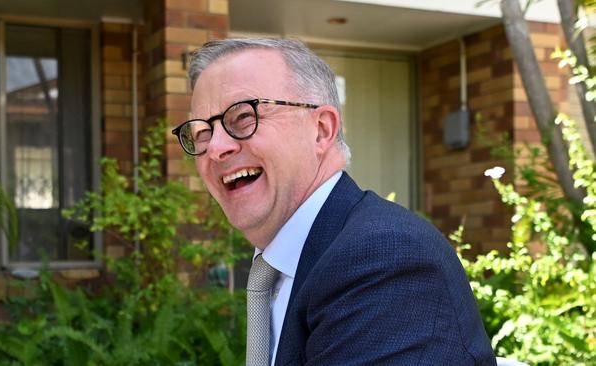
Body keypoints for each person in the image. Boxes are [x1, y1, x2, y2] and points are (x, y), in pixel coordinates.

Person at [172, 38, 496, 366]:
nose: (215, 148)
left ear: (322, 130)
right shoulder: (287, 264)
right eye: (201, 133)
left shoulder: (385, 257)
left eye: (242, 117)